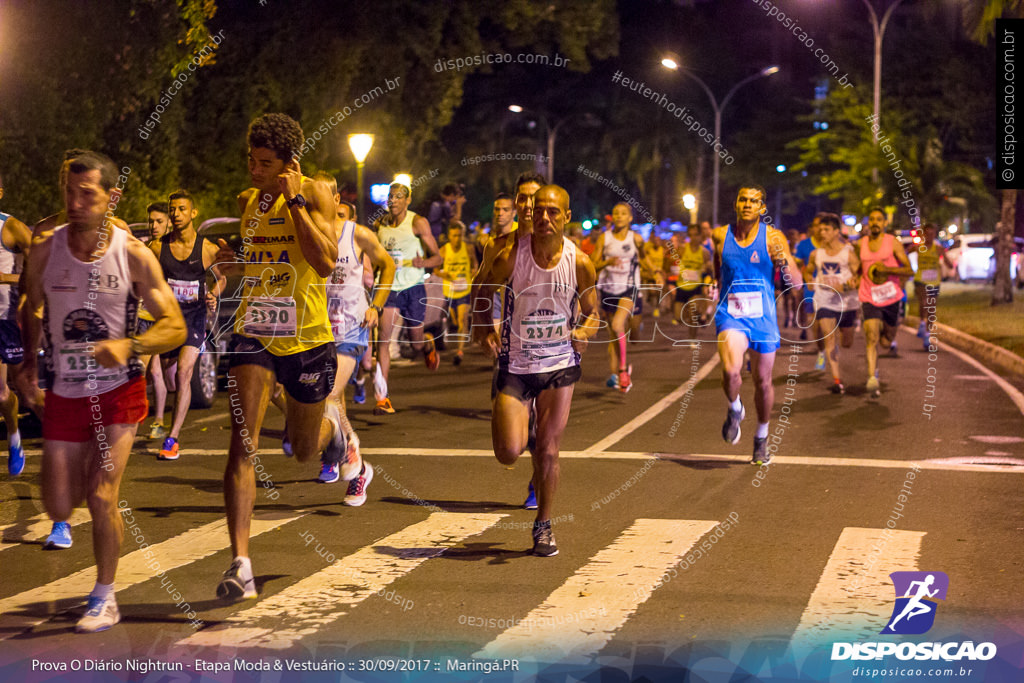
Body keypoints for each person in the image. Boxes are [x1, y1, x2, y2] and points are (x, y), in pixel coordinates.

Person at [17, 151, 186, 631]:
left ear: (112, 198)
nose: (74, 202)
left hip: (119, 390)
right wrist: (29, 364)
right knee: (57, 504)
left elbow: (173, 325)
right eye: (68, 193)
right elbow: (30, 304)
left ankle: (105, 594)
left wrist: (128, 345)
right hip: (66, 389)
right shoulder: (47, 249)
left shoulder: (133, 254)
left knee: (101, 494)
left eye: (86, 194)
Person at [211, 113, 352, 601]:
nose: (254, 170)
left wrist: (294, 201)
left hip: (309, 337)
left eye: (265, 163)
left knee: (303, 449)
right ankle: (240, 563)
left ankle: (336, 436)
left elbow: (326, 261)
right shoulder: (247, 201)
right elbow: (255, 261)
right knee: (241, 443)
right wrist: (232, 260)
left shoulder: (312, 194)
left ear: (289, 164)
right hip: (255, 331)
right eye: (250, 159)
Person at [476, 185, 598, 556]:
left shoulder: (579, 262)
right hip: (516, 363)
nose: (544, 218)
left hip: (559, 363)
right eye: (539, 210)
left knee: (548, 449)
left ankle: (543, 525)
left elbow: (593, 311)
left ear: (567, 217)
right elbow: (483, 291)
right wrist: (483, 329)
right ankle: (520, 422)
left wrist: (585, 331)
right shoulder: (513, 256)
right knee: (509, 452)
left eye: (553, 212)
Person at [471, 172, 545, 509]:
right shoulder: (499, 245)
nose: (529, 205)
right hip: (511, 349)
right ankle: (529, 448)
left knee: (544, 424)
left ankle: (538, 480)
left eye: (535, 198)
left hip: (551, 349)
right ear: (516, 204)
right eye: (523, 198)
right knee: (509, 437)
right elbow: (480, 287)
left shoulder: (562, 247)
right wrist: (484, 327)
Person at [713, 185, 801, 465]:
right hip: (730, 314)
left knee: (762, 382)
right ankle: (734, 408)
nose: (748, 204)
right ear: (736, 204)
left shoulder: (773, 238)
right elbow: (717, 271)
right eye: (743, 199)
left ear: (762, 208)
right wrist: (713, 288)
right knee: (731, 370)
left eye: (754, 201)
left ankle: (761, 436)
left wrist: (783, 260)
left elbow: (797, 283)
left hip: (763, 318)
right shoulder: (720, 236)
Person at [320, 174, 395, 496]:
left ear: (335, 200)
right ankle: (354, 465)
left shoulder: (357, 234)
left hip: (352, 324)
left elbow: (388, 265)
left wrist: (376, 305)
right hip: (318, 327)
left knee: (331, 393)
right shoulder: (306, 235)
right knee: (328, 397)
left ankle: (344, 452)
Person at [153, 189, 225, 461]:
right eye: (173, 210)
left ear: (193, 213)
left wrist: (212, 294)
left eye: (182, 209)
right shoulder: (158, 247)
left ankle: (172, 438)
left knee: (184, 373)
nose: (176, 214)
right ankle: (167, 419)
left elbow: (222, 279)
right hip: (168, 321)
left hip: (194, 319)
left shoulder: (206, 249)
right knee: (170, 379)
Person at [373, 182, 442, 415]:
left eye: (398, 197)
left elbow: (438, 258)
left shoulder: (417, 223)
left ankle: (427, 343)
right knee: (383, 340)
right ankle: (382, 397)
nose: (393, 200)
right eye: (390, 197)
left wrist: (424, 263)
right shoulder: (379, 225)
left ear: (407, 200)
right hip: (389, 289)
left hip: (413, 287)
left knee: (416, 343)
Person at [590, 203, 659, 392]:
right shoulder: (605, 239)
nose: (619, 216)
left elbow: (645, 259)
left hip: (630, 289)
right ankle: (619, 374)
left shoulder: (636, 239)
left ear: (630, 218)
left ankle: (636, 330)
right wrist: (607, 262)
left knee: (633, 335)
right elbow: (593, 265)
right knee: (615, 332)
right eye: (616, 213)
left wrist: (656, 272)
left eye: (623, 214)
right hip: (609, 291)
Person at [857, 207, 913, 397]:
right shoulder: (861, 244)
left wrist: (888, 271)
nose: (874, 223)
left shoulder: (893, 243)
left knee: (886, 341)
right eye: (871, 219)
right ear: (868, 223)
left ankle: (887, 335)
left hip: (891, 297)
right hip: (868, 296)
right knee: (871, 337)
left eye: (879, 219)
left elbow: (909, 270)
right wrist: (851, 279)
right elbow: (857, 269)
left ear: (884, 223)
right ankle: (872, 377)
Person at [803, 213, 859, 394]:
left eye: (826, 230)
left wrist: (850, 284)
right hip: (824, 300)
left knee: (847, 342)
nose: (822, 233)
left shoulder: (848, 254)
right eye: (820, 230)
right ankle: (837, 380)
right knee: (829, 338)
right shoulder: (815, 254)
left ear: (836, 231)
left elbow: (859, 277)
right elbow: (808, 270)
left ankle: (835, 371)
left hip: (847, 303)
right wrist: (808, 281)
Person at [0, 173, 31, 476]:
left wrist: (5, 278)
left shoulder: (10, 227)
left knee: (4, 393)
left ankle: (14, 437)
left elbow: (37, 270)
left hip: (5, 319)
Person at [139, 202, 171, 439]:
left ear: (169, 223)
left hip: (154, 317)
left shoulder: (171, 249)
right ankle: (158, 421)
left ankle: (131, 417)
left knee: (139, 369)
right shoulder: (146, 246)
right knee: (156, 371)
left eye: (159, 221)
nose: (154, 226)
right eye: (151, 221)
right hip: (142, 314)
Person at [438, 220, 477, 366]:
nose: (457, 239)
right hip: (449, 291)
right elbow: (436, 269)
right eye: (454, 236)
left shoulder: (468, 248)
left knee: (462, 320)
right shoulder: (443, 250)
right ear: (449, 236)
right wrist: (444, 275)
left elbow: (475, 263)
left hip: (464, 290)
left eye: (459, 235)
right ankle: (459, 343)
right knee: (454, 321)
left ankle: (459, 351)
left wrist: (474, 270)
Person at [913, 223, 952, 350]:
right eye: (927, 234)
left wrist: (948, 263)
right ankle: (922, 323)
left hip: (934, 281)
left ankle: (927, 334)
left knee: (931, 308)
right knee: (924, 302)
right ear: (923, 235)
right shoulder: (918, 247)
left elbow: (948, 262)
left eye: (932, 234)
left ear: (935, 235)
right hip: (920, 279)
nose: (929, 236)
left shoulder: (938, 248)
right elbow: (902, 254)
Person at [794, 215, 826, 367]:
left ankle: (830, 347)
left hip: (831, 291)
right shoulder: (804, 245)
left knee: (830, 324)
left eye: (822, 226)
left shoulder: (833, 245)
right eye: (816, 225)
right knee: (817, 326)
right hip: (811, 290)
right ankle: (821, 352)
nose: (819, 229)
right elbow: (797, 264)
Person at [674, 228, 712, 338]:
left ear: (700, 236)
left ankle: (693, 339)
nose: (693, 238)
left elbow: (710, 270)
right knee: (678, 317)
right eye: (691, 235)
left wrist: (708, 270)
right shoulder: (682, 249)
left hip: (696, 286)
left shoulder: (704, 252)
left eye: (696, 235)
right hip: (681, 285)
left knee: (692, 314)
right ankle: (699, 315)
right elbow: (671, 262)